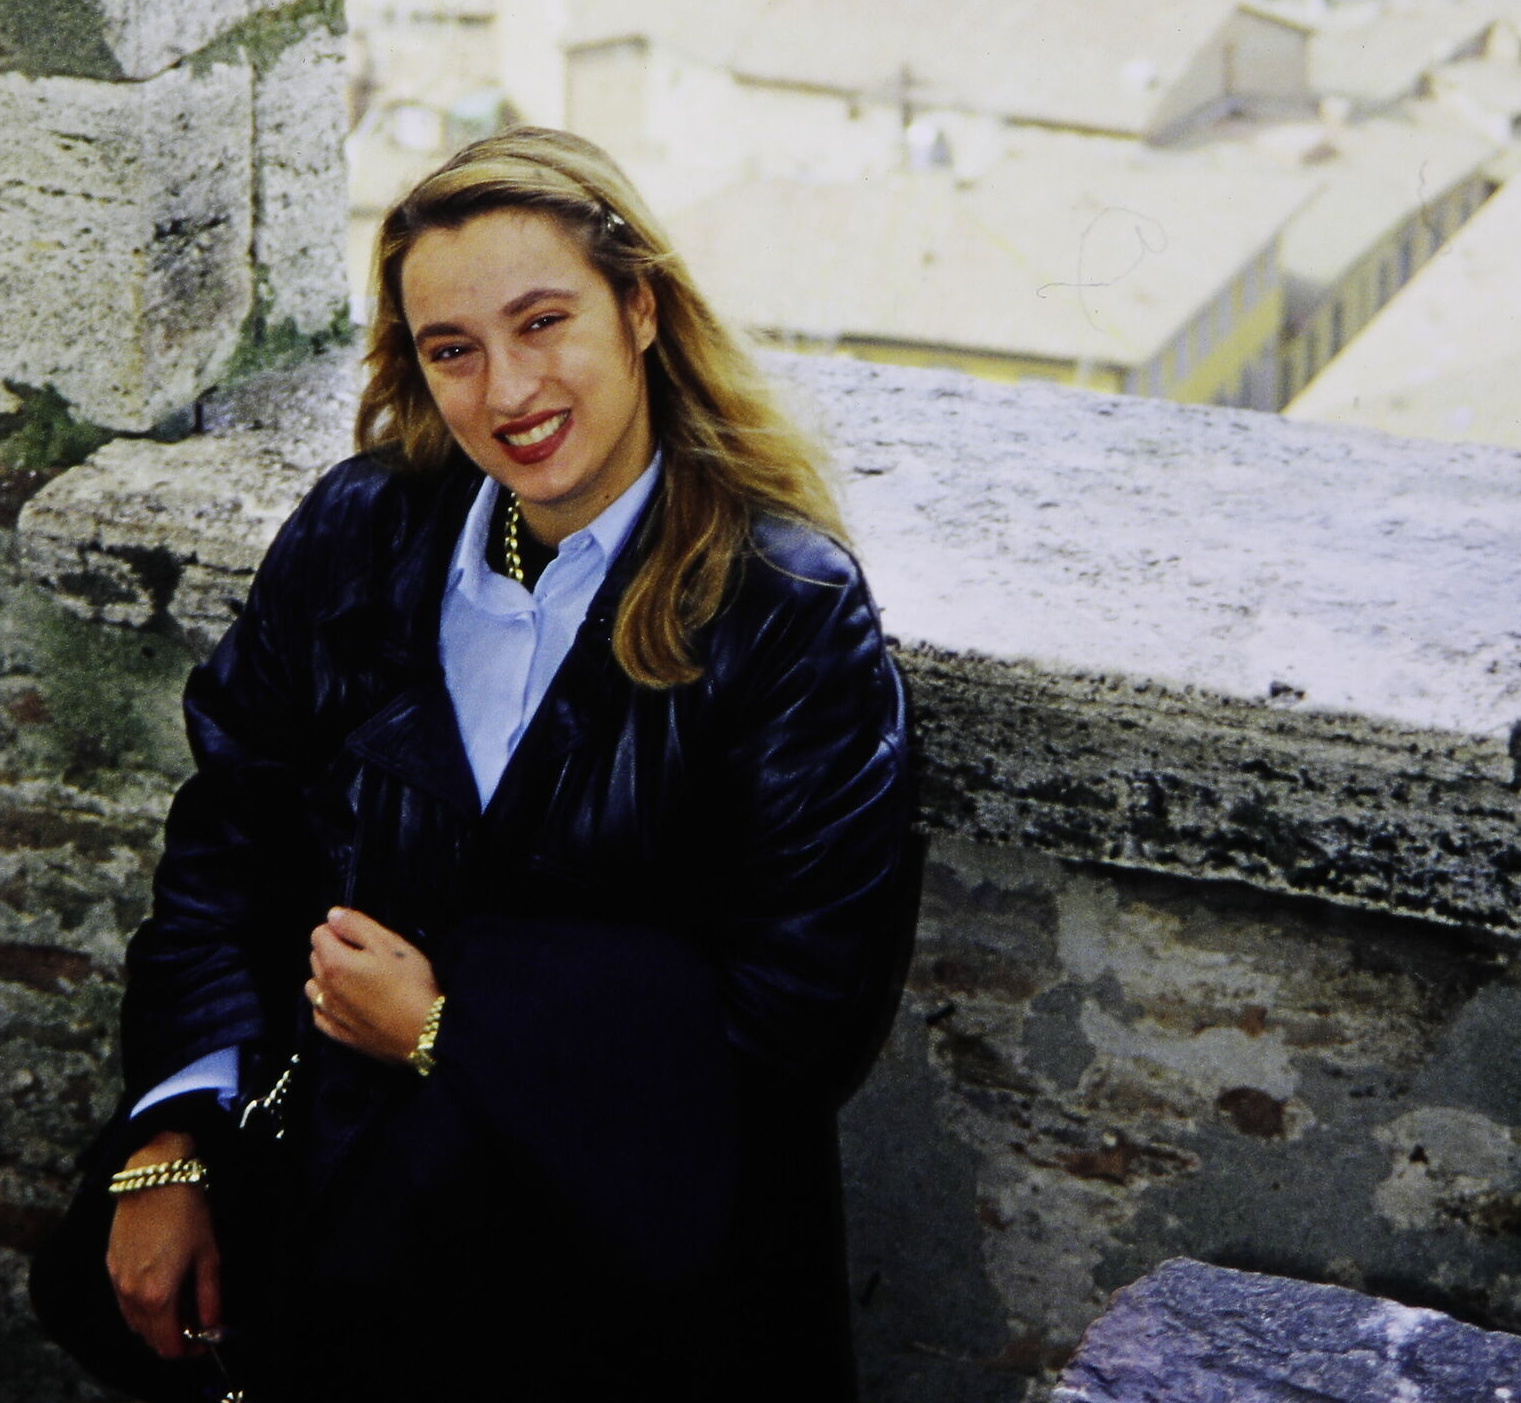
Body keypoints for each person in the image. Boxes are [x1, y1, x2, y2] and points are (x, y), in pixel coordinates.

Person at [105, 128, 917, 1401]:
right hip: (351, 1251)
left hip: (634, 1306)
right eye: (453, 350)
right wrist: (172, 1138)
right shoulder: (359, 534)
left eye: (543, 323)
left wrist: (446, 1030)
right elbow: (229, 839)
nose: (507, 391)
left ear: (640, 309)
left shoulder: (785, 611)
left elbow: (798, 1022)